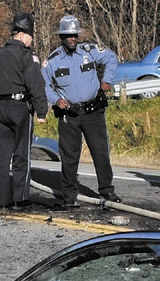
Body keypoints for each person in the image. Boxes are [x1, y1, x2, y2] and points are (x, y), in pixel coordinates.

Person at [42, 14, 121, 209]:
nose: (73, 38)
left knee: (101, 152)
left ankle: (107, 190)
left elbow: (111, 57)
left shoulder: (89, 51)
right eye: (69, 35)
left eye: (75, 34)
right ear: (61, 36)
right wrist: (55, 99)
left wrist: (106, 81)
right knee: (69, 156)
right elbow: (42, 84)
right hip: (70, 114)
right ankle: (69, 196)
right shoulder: (52, 61)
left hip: (93, 111)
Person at [0, 11, 48, 210]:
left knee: (1, 157)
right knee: (21, 155)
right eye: (31, 37)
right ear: (26, 34)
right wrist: (41, 112)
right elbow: (35, 85)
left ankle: (3, 201)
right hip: (20, 108)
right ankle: (20, 199)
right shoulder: (27, 56)